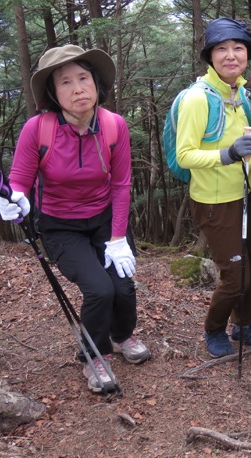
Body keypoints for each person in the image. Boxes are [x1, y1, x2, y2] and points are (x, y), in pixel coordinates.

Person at [0, 45, 150, 393]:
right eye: (65, 82)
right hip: (59, 224)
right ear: (53, 93)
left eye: (83, 78)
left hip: (104, 218)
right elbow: (20, 180)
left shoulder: (114, 126)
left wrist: (117, 239)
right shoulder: (39, 129)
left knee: (123, 285)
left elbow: (121, 185)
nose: (78, 88)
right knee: (99, 289)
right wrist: (14, 200)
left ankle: (123, 335)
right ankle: (93, 355)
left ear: (96, 83)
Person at [175, 18, 251, 358]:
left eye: (238, 48)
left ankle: (243, 324)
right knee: (235, 276)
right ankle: (214, 329)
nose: (231, 56)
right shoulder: (197, 99)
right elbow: (184, 155)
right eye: (222, 49)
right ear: (209, 56)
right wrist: (228, 154)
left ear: (247, 54)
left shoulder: (242, 94)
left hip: (250, 191)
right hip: (216, 200)